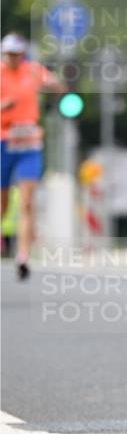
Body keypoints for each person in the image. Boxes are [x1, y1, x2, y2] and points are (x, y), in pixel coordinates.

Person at [0, 32, 66, 279]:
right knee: (3, 205)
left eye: (17, 55)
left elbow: (56, 83)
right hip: (3, 143)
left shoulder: (33, 70)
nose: (13, 59)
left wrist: (57, 88)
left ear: (23, 55)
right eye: (8, 55)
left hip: (29, 144)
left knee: (28, 201)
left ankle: (23, 256)